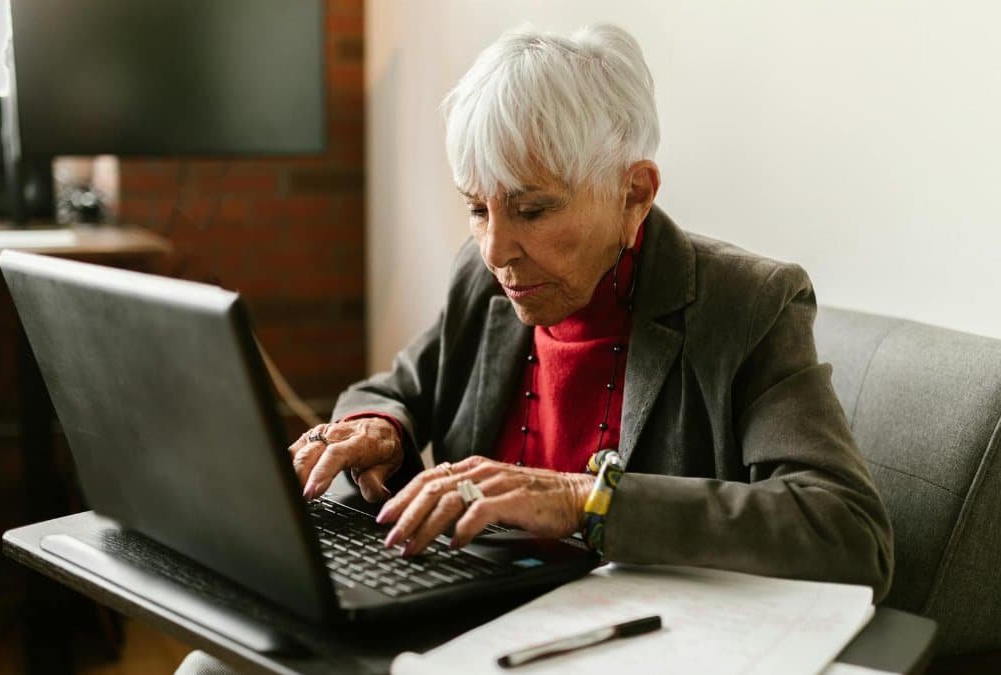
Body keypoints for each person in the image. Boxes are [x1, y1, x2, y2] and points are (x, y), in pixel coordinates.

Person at [293, 24, 893, 598]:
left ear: (634, 193)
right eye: (477, 208)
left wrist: (584, 499)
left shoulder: (749, 306)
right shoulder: (481, 281)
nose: (496, 250)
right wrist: (379, 429)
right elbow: (394, 392)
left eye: (531, 210)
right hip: (471, 610)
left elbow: (848, 532)